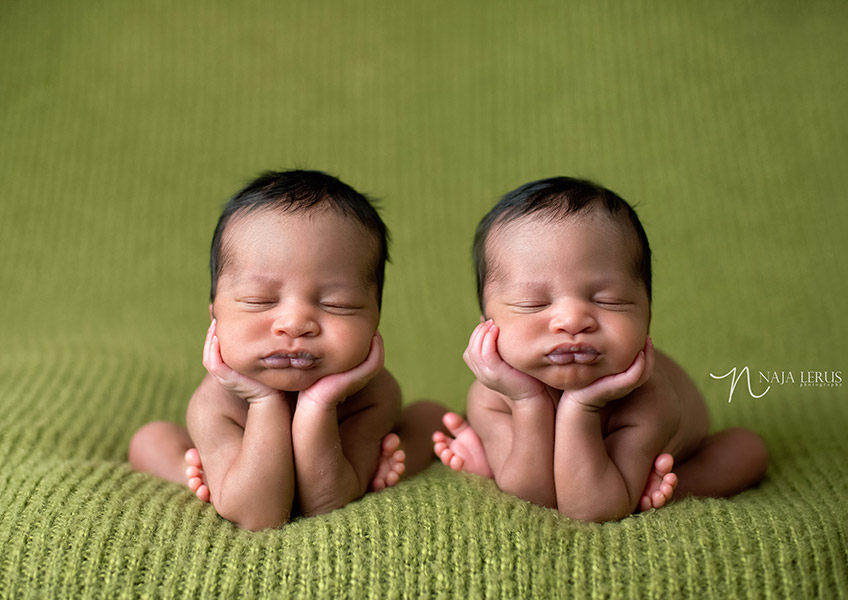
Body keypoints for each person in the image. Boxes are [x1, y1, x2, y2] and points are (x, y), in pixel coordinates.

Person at [433, 177, 768, 522]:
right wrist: (526, 401)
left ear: (647, 315)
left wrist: (582, 407)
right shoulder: (492, 398)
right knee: (518, 468)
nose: (572, 320)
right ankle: (630, 489)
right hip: (570, 462)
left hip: (680, 456)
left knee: (746, 450)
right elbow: (534, 497)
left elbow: (593, 507)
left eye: (608, 300)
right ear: (486, 327)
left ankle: (666, 490)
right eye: (532, 304)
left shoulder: (651, 400)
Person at [130, 169, 444, 531]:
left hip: (336, 469)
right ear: (215, 317)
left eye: (338, 304)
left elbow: (325, 502)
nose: (295, 324)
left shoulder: (372, 394)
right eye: (259, 300)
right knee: (151, 439)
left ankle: (381, 462)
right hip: (248, 483)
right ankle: (205, 480)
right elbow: (258, 514)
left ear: (375, 320)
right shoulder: (216, 403)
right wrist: (262, 402)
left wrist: (320, 405)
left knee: (431, 416)